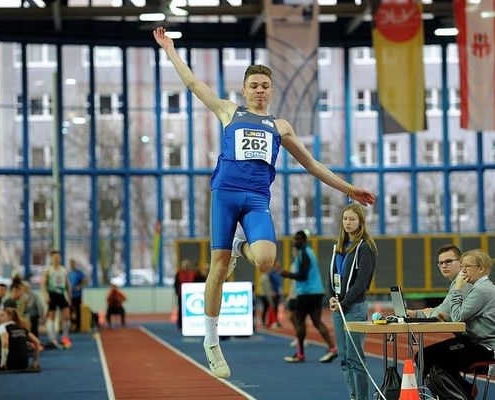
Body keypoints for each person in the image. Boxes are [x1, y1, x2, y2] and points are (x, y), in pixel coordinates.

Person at [153, 26, 376, 379]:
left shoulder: (280, 126)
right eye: (253, 86)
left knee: (267, 261)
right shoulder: (229, 111)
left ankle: (243, 245)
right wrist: (169, 49)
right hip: (224, 196)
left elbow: (312, 164)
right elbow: (195, 85)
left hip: (257, 200)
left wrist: (349, 189)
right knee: (218, 266)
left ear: (271, 91)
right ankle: (212, 342)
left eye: (265, 86)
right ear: (244, 90)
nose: (259, 91)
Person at [422, 249, 495, 397]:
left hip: (485, 347)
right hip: (475, 342)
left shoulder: (482, 290)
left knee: (430, 359)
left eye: (467, 266)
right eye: (462, 266)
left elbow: (458, 317)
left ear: (481, 269)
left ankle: (463, 394)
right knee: (425, 356)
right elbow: (461, 317)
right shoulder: (481, 288)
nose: (463, 271)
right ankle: (463, 390)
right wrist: (448, 318)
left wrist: (457, 289)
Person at [327, 203, 377, 400]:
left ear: (360, 222)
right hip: (338, 306)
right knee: (343, 358)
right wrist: (330, 296)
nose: (348, 222)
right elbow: (331, 275)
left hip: (353, 307)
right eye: (345, 219)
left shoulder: (366, 247)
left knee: (355, 359)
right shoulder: (339, 246)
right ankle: (354, 396)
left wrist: (344, 303)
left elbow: (361, 282)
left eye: (352, 219)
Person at [281, 230, 338, 363]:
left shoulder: (304, 253)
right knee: (316, 321)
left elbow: (303, 275)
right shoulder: (308, 252)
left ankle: (300, 354)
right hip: (316, 291)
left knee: (299, 321)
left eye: (298, 239)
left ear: (304, 240)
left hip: (307, 292)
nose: (295, 242)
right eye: (294, 239)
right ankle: (332, 347)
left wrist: (286, 274)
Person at [406, 244, 471, 320]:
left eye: (448, 261)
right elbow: (441, 308)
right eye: (441, 263)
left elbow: (443, 312)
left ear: (461, 262)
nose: (444, 266)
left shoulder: (464, 282)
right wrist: (416, 313)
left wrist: (417, 314)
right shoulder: (456, 282)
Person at [41, 250, 72, 349]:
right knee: (51, 316)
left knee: (66, 316)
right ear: (51, 259)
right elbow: (43, 285)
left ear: (60, 259)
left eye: (58, 258)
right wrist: (45, 295)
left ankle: (65, 337)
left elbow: (67, 284)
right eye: (54, 258)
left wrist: (69, 296)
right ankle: (53, 339)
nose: (56, 259)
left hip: (62, 293)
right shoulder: (48, 270)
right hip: (52, 293)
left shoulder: (63, 270)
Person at [174, 259, 196, 330]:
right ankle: (180, 325)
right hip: (181, 294)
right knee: (180, 310)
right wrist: (177, 292)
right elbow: (176, 283)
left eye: (187, 265)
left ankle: (190, 325)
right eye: (185, 265)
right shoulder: (179, 273)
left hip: (190, 295)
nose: (186, 266)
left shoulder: (192, 273)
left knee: (190, 311)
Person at [68, 259, 88, 333]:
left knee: (78, 311)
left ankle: (78, 327)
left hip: (78, 295)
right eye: (71, 264)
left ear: (75, 264)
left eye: (73, 263)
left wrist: (80, 285)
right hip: (70, 296)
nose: (72, 265)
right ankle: (71, 326)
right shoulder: (69, 273)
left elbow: (85, 280)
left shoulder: (78, 273)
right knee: (70, 311)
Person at [268, 260, 283, 327]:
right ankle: (272, 321)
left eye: (279, 266)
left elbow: (279, 284)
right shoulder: (271, 273)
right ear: (274, 265)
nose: (278, 267)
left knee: (277, 308)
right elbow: (268, 284)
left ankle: (276, 321)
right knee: (272, 307)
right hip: (273, 293)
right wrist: (271, 291)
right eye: (277, 265)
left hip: (278, 293)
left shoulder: (279, 273)